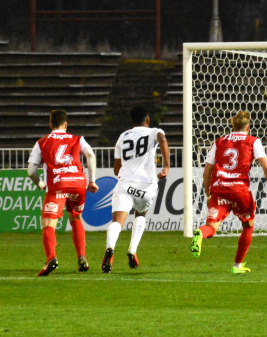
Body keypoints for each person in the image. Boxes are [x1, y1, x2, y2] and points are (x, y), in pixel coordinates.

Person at [190, 110, 267, 274]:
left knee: (211, 226)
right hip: (239, 190)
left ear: (232, 125)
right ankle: (237, 266)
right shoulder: (253, 141)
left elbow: (206, 171)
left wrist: (209, 194)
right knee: (248, 225)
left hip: (219, 188)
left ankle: (200, 234)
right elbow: (266, 167)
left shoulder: (220, 141)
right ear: (248, 127)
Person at [28, 109, 99, 276]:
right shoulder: (77, 139)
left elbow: (31, 170)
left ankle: (51, 258)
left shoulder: (42, 142)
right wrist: (92, 180)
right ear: (66, 124)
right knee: (75, 217)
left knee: (48, 223)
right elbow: (90, 154)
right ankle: (82, 257)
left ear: (50, 124)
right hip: (78, 184)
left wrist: (40, 183)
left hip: (57, 185)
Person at [101, 105, 170, 273]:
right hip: (146, 185)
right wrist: (166, 166)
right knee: (140, 214)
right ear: (147, 120)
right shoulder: (154, 131)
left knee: (117, 221)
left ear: (131, 121)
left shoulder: (122, 137)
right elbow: (162, 138)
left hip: (125, 184)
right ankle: (132, 250)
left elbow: (116, 169)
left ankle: (110, 249)